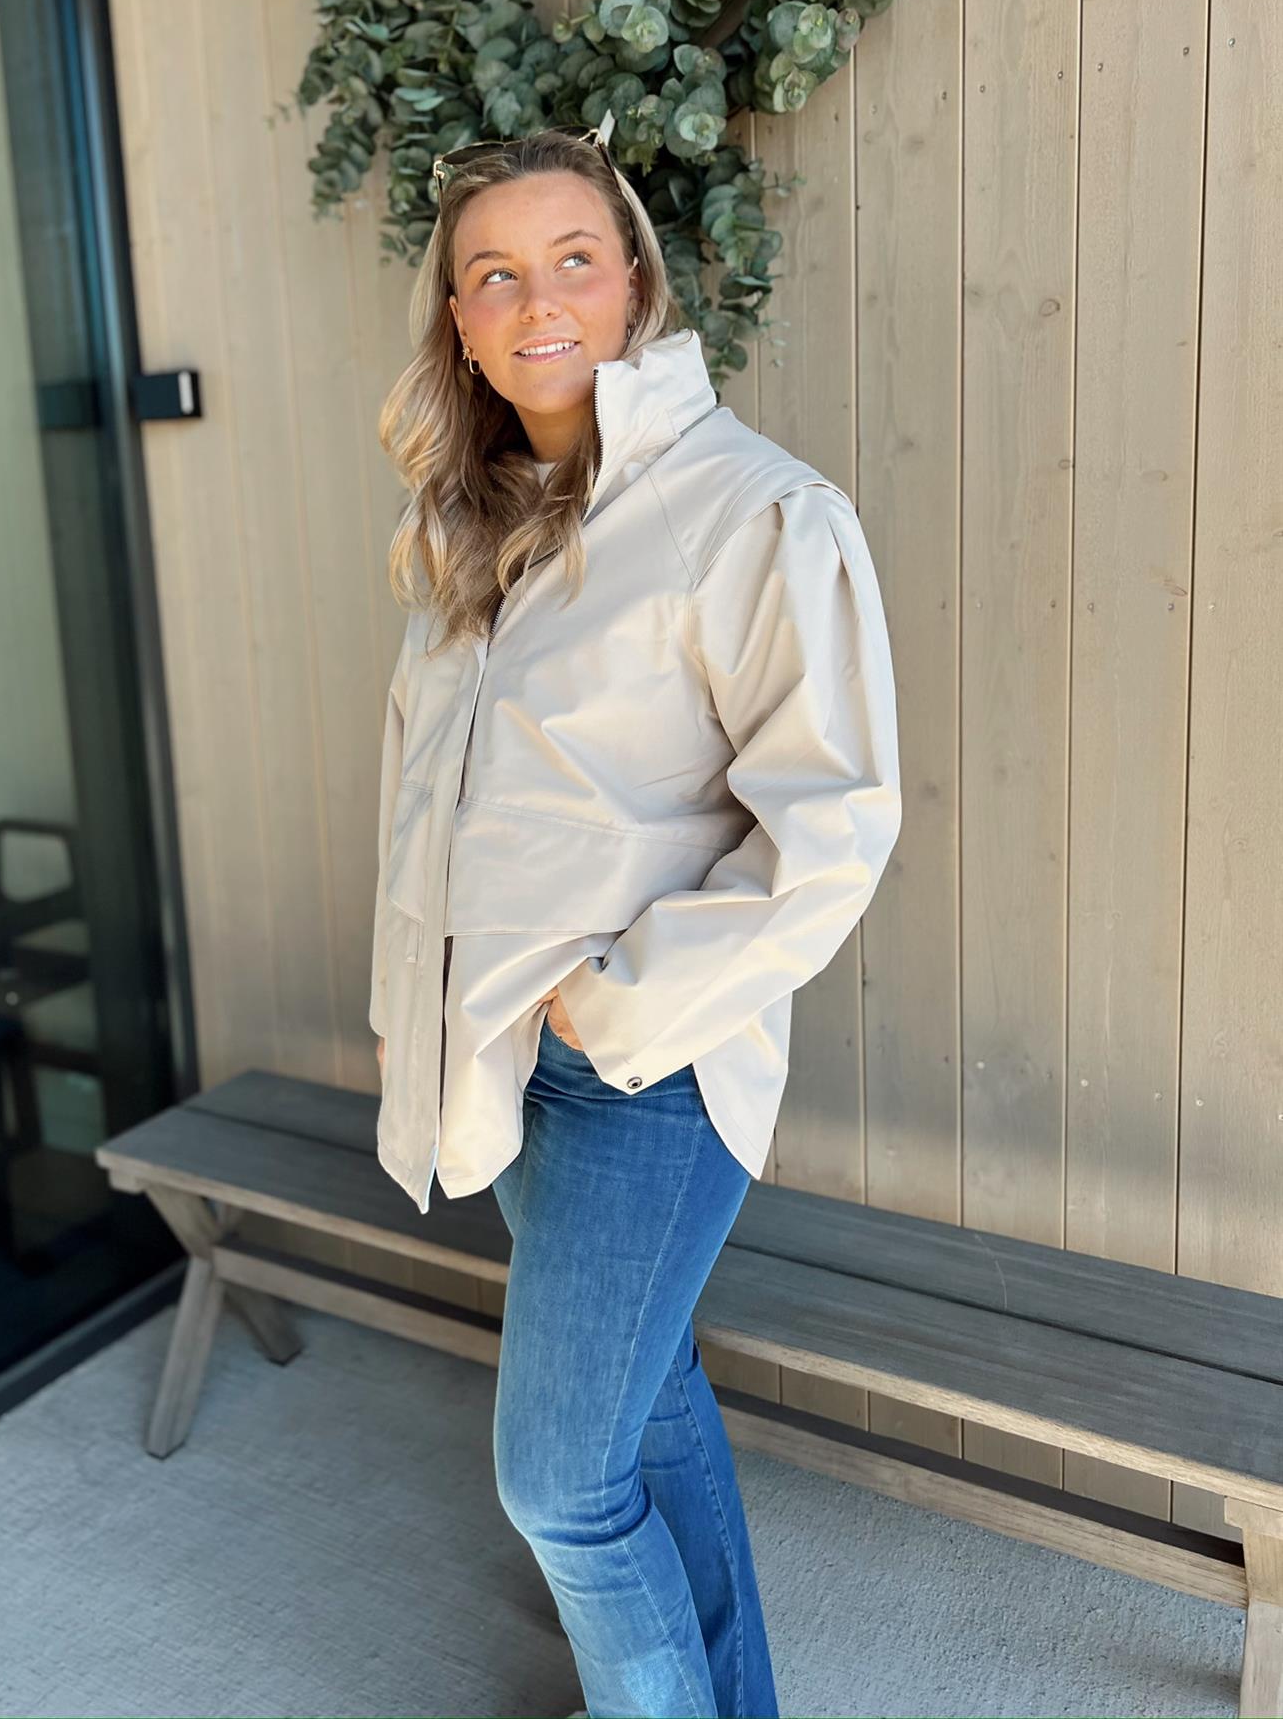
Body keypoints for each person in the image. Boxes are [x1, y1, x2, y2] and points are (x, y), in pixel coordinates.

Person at [369, 123, 903, 1718]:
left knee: (559, 1481)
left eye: (573, 261)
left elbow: (833, 825)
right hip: (502, 1055)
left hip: (636, 1068)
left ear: (634, 283)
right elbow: (433, 801)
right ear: (461, 321)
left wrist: (608, 1007)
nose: (539, 302)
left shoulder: (755, 511)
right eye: (495, 274)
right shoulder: (472, 526)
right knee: (645, 1407)